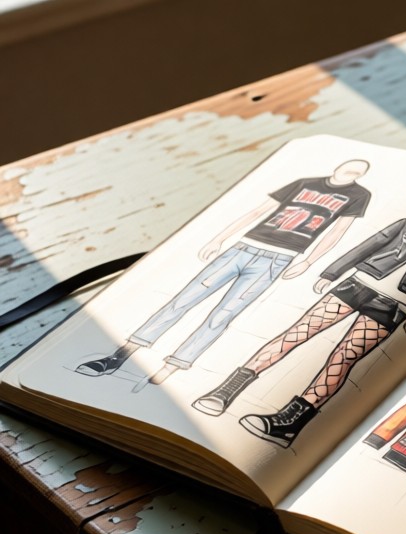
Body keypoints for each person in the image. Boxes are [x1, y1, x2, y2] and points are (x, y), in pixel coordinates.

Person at [192, 188, 406, 448]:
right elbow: (370, 245)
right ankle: (225, 391)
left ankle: (289, 423)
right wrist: (332, 272)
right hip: (357, 285)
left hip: (395, 305)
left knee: (344, 357)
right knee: (296, 334)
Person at [75, 159, 372, 389]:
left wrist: (308, 262)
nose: (350, 173)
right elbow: (257, 211)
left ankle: (173, 366)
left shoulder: (359, 195)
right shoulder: (304, 182)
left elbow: (337, 231)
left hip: (278, 259)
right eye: (349, 168)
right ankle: (119, 356)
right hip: (242, 248)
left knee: (224, 314)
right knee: (183, 300)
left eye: (357, 171)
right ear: (339, 166)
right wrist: (220, 238)